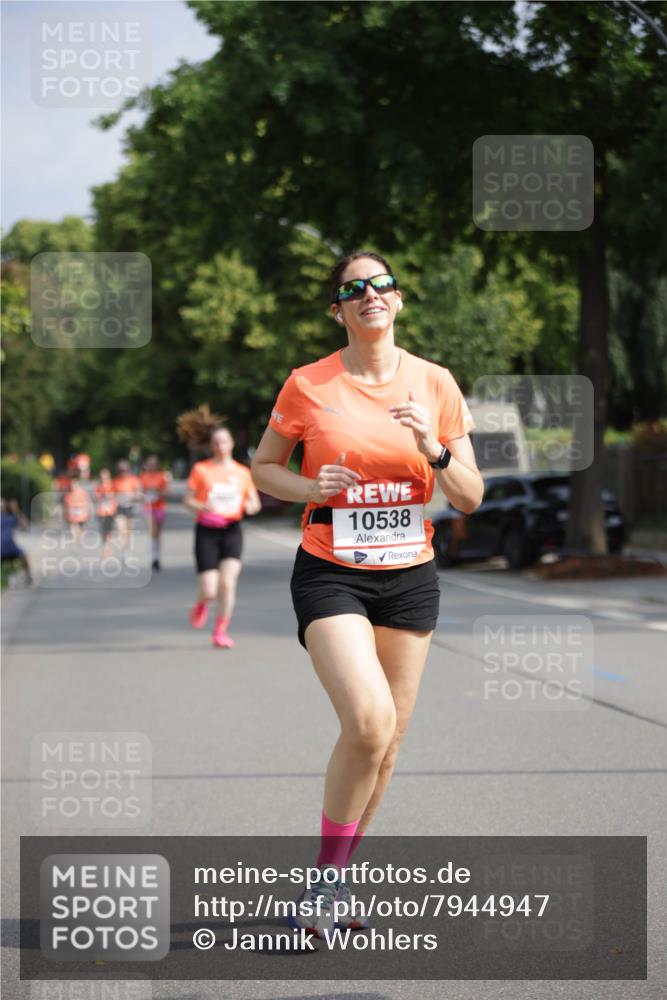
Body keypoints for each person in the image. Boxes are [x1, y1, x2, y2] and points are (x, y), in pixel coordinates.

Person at [251, 250, 483, 936]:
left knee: (388, 742)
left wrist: (434, 451)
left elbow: (468, 496)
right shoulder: (308, 384)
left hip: (409, 577)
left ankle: (334, 883)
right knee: (367, 721)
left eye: (380, 284)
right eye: (354, 288)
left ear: (398, 300)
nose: (369, 294)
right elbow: (263, 468)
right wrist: (308, 486)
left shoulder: (435, 383)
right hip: (332, 569)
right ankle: (324, 886)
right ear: (339, 310)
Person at [184, 425, 261, 648]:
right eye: (216, 442)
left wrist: (249, 505)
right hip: (207, 531)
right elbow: (188, 500)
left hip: (231, 530)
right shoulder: (201, 469)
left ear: (231, 444)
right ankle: (202, 603)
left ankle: (220, 631)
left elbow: (254, 504)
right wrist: (201, 505)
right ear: (211, 446)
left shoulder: (242, 473)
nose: (220, 446)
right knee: (209, 590)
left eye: (224, 441)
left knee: (227, 583)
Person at [140, 455, 169, 570]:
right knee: (152, 531)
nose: (152, 466)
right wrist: (145, 494)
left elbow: (167, 491)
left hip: (160, 506)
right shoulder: (143, 476)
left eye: (154, 464)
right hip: (148, 507)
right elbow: (140, 491)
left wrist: (158, 492)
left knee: (158, 534)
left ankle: (157, 556)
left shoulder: (162, 476)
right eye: (150, 464)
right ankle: (153, 558)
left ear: (157, 465)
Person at [112, 460, 142, 558]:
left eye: (125, 470)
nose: (123, 472)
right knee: (121, 530)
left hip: (130, 508)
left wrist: (133, 496)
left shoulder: (134, 480)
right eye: (121, 470)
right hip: (120, 508)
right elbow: (111, 494)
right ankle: (122, 547)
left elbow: (140, 494)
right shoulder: (115, 481)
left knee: (128, 531)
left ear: (128, 470)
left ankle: (126, 551)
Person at [1, 497, 32, 584]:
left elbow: (25, 526)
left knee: (24, 555)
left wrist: (16, 510)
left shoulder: (10, 517)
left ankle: (28, 577)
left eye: (2, 503)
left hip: (11, 548)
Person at [62, 472, 92, 544]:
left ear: (78, 484)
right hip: (72, 513)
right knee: (73, 525)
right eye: (72, 484)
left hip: (81, 512)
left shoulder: (82, 492)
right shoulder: (68, 493)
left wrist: (87, 511)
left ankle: (79, 536)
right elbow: (65, 503)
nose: (73, 485)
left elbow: (87, 502)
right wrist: (65, 512)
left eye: (75, 484)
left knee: (79, 527)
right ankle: (73, 539)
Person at [94, 468, 117, 557]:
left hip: (111, 511)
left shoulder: (112, 485)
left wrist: (111, 496)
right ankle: (106, 548)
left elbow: (116, 495)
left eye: (105, 476)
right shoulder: (98, 486)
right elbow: (96, 497)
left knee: (110, 529)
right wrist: (102, 496)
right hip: (101, 511)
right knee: (103, 530)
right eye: (102, 477)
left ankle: (108, 542)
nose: (103, 478)